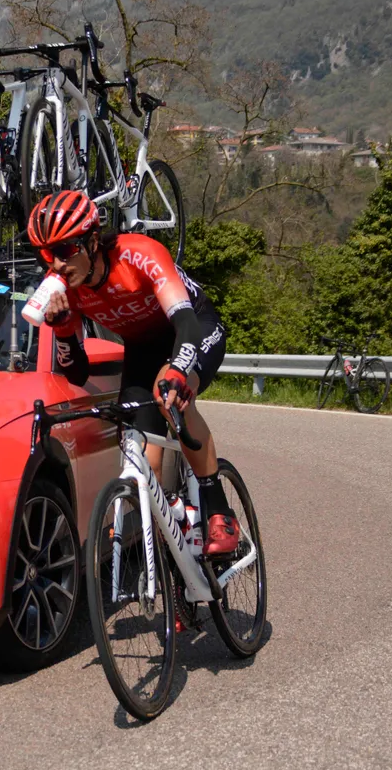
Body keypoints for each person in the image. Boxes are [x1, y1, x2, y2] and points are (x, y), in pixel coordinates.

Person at [27, 190, 239, 555]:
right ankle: (177, 557)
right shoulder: (68, 292)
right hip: (142, 348)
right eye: (46, 254)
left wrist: (178, 371)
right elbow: (75, 373)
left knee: (171, 396)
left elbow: (186, 324)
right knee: (143, 463)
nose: (56, 264)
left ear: (92, 241)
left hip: (192, 328)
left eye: (64, 250)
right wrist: (62, 328)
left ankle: (218, 509)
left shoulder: (138, 254)